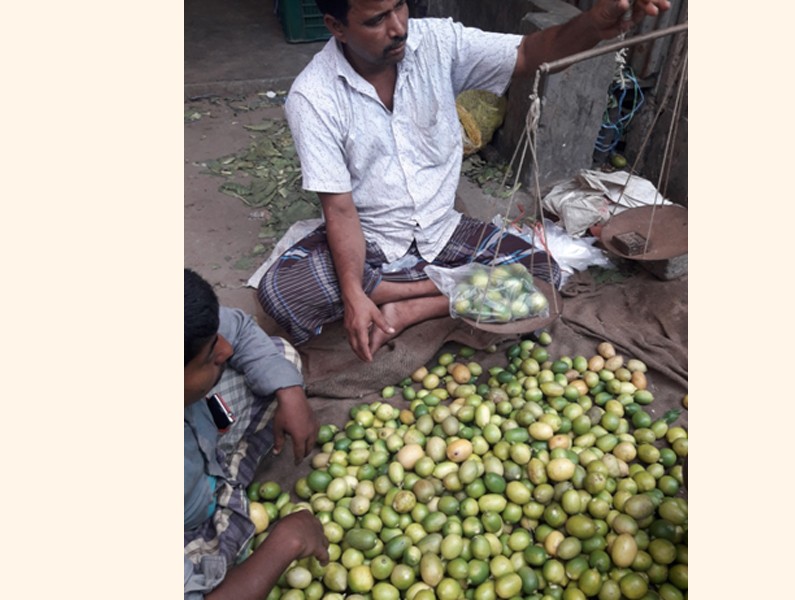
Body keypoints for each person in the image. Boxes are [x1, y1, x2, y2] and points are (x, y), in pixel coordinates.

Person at [257, 0, 671, 362]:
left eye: (400, 6)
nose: (398, 26)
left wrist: (594, 24)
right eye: (376, 19)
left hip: (443, 230)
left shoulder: (436, 42)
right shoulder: (313, 97)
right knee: (281, 292)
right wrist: (353, 293)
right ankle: (413, 288)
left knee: (544, 273)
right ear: (336, 26)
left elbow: (528, 51)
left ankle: (409, 307)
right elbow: (340, 209)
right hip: (372, 241)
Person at [184, 268, 328, 599]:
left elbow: (241, 329)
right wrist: (285, 543)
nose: (224, 351)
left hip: (197, 438)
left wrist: (290, 391)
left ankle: (222, 478)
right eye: (210, 356)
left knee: (278, 359)